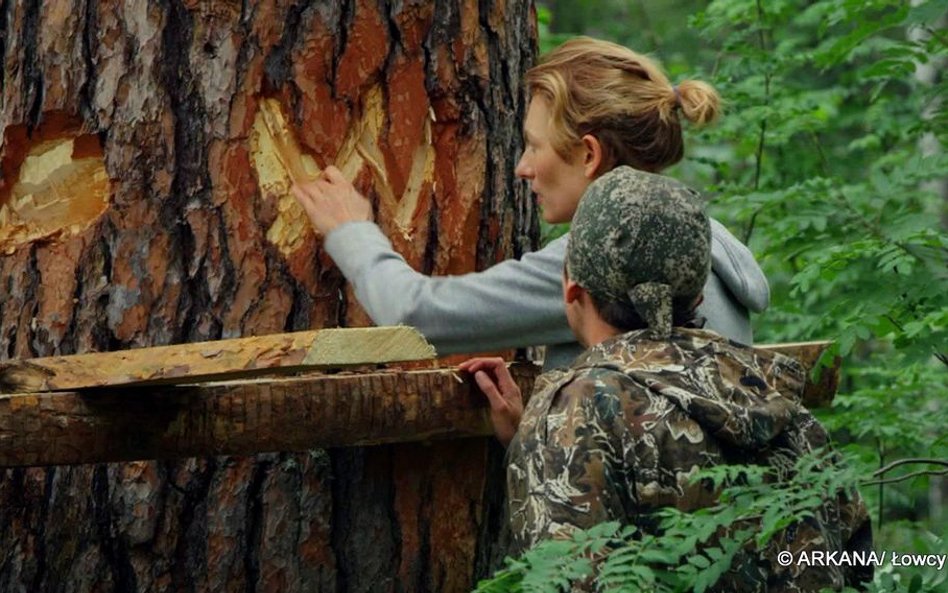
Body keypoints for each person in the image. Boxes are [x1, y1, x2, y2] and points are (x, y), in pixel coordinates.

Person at [462, 166, 872, 591]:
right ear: (696, 294)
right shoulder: (778, 399)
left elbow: (566, 578)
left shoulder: (581, 410)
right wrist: (530, 439)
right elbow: (855, 561)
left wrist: (546, 437)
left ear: (570, 286)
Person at [292, 37, 769, 370]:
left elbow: (415, 316)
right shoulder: (704, 242)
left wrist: (351, 232)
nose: (521, 167)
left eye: (534, 145)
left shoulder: (601, 258)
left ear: (588, 154)